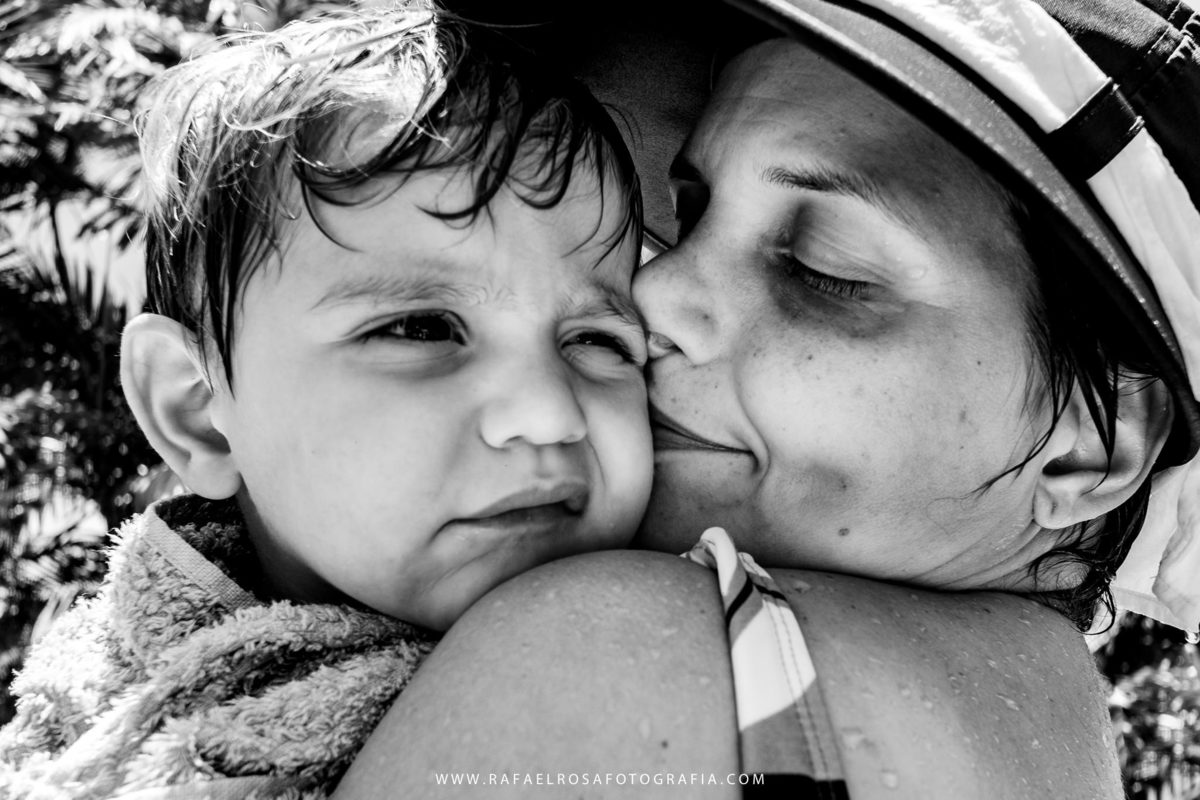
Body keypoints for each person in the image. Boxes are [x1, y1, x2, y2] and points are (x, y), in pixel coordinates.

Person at [334, 0, 1200, 797]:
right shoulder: (1048, 740)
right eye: (687, 215)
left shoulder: (616, 644)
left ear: (1094, 446)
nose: (655, 293)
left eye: (826, 269)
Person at [0, 4, 652, 797]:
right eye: (420, 328)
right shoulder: (80, 721)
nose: (552, 414)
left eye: (598, 341)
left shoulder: (706, 651)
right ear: (198, 412)